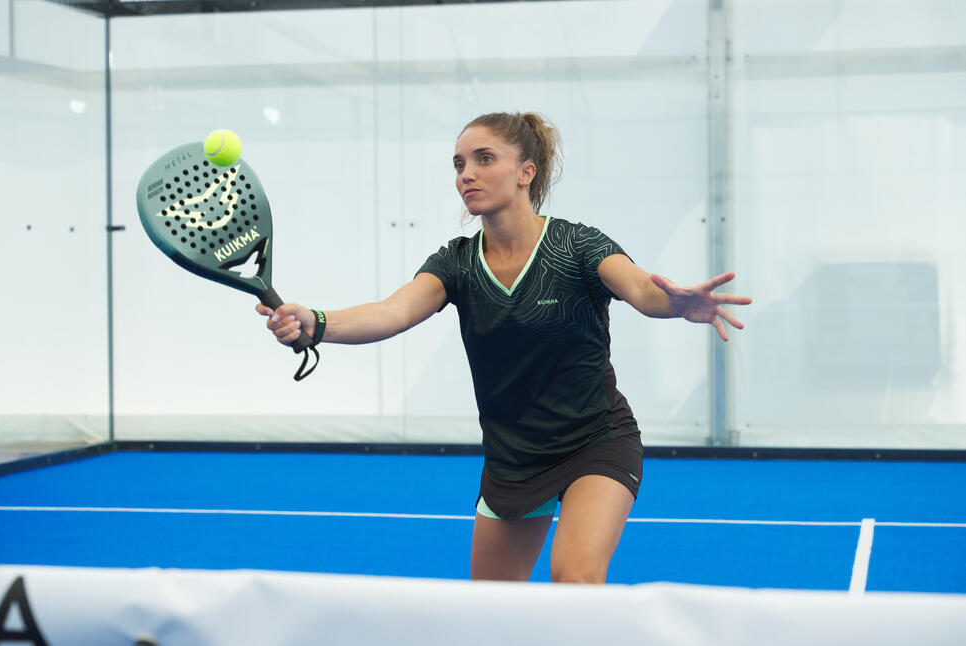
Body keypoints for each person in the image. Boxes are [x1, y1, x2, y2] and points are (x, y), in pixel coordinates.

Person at [256, 112, 751, 584]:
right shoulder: (456, 263)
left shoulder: (577, 246)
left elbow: (642, 291)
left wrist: (678, 303)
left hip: (595, 440)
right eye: (459, 164)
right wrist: (316, 322)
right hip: (512, 457)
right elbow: (391, 313)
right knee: (492, 608)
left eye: (484, 159)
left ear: (525, 172)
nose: (466, 174)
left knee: (576, 576)